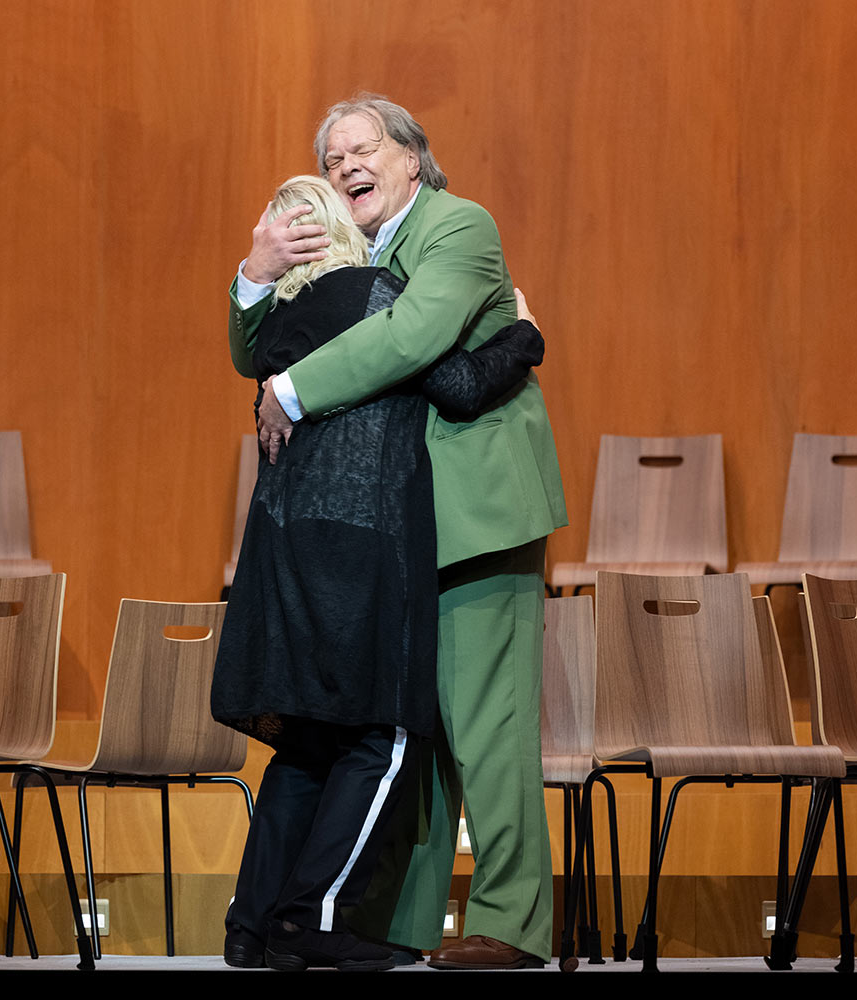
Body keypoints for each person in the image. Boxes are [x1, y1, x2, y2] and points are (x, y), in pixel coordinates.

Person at [232, 96, 568, 970]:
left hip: (474, 515)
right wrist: (256, 273)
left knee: (485, 729)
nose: (345, 164)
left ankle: (509, 925)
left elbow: (418, 336)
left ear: (413, 158)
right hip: (393, 527)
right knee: (401, 737)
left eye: (363, 148)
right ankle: (394, 928)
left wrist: (292, 390)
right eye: (331, 155)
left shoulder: (459, 225)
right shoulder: (348, 247)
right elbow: (260, 347)